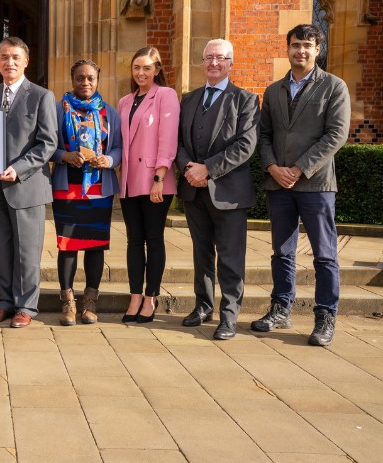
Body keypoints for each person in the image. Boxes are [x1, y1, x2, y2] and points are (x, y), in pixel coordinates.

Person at [252, 23, 350, 346]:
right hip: (278, 184)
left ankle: (325, 316)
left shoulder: (334, 87)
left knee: (324, 254)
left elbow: (336, 135)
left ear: (317, 49)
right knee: (282, 252)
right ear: (288, 48)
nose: (301, 51)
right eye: (296, 45)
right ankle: (281, 308)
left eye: (307, 45)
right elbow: (263, 135)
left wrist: (298, 168)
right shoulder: (273, 91)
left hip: (316, 185)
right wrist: (271, 166)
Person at [176, 39, 260, 340]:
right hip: (193, 191)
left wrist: (207, 169)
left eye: (221, 58)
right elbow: (179, 142)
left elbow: (245, 146)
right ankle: (203, 306)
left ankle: (229, 315)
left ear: (230, 63)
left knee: (230, 257)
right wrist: (189, 168)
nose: (214, 63)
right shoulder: (188, 99)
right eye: (209, 57)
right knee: (201, 254)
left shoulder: (246, 100)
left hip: (229, 193)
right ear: (202, 61)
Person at [0, 37, 58, 328]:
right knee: (2, 249)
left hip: (27, 184)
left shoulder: (41, 96)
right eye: (3, 57)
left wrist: (19, 167)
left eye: (14, 57)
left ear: (26, 61)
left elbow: (48, 143)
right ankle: (5, 302)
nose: (8, 63)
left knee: (27, 250)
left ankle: (26, 306)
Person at [51, 59, 122, 325]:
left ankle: (90, 300)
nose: (85, 83)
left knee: (95, 246)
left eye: (90, 78)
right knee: (67, 245)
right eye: (80, 78)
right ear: (72, 79)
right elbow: (47, 145)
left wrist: (109, 160)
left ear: (97, 80)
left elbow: (118, 147)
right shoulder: (58, 110)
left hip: (98, 188)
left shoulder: (109, 113)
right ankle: (68, 302)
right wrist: (64, 156)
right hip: (67, 187)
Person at [118, 47, 180, 324]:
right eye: (136, 67)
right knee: (133, 241)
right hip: (130, 181)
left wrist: (159, 178)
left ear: (157, 70)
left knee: (154, 240)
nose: (140, 73)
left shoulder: (165, 95)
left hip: (156, 180)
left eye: (146, 67)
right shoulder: (124, 101)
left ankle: (151, 298)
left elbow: (168, 138)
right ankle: (134, 297)